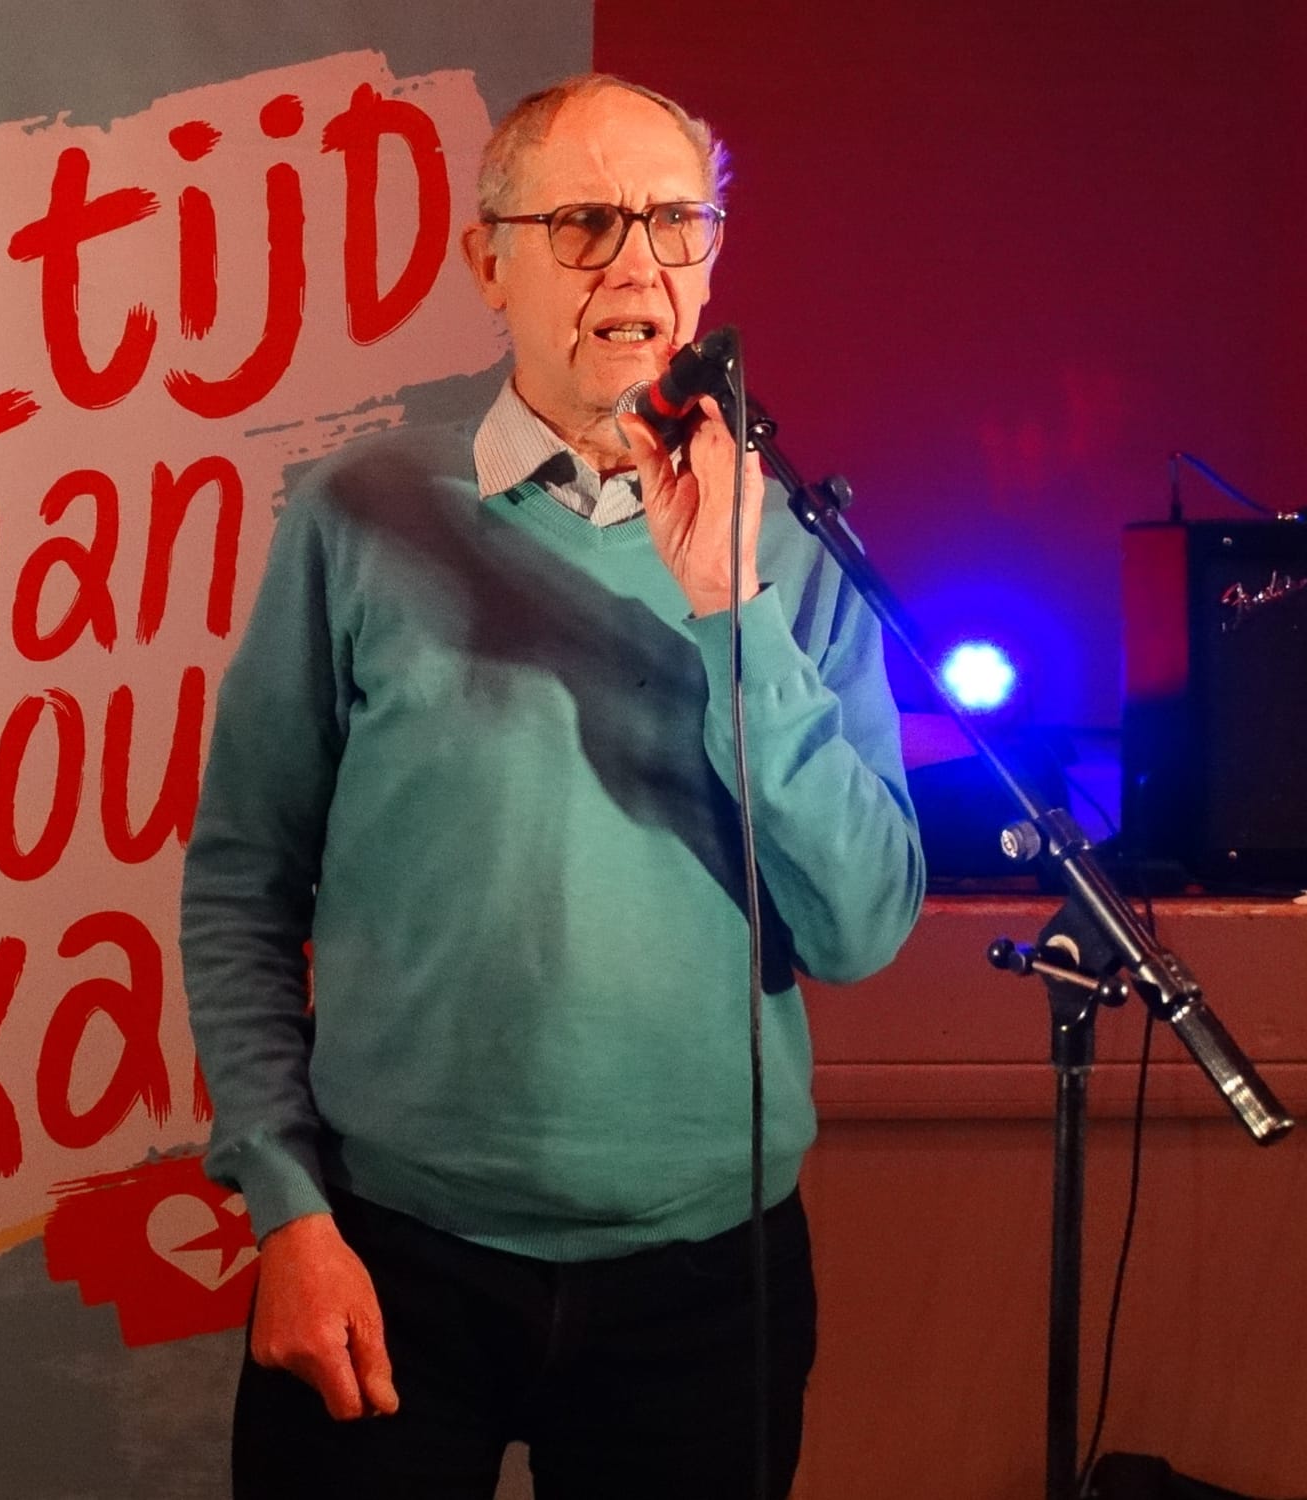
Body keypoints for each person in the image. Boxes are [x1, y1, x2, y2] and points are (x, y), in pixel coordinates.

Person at [180, 72, 924, 1499]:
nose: (639, 266)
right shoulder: (359, 515)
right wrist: (287, 1210)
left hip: (707, 1284)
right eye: (585, 223)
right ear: (489, 262)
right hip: (389, 1253)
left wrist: (732, 609)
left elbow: (859, 928)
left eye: (675, 222)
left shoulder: (795, 549)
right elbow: (241, 883)